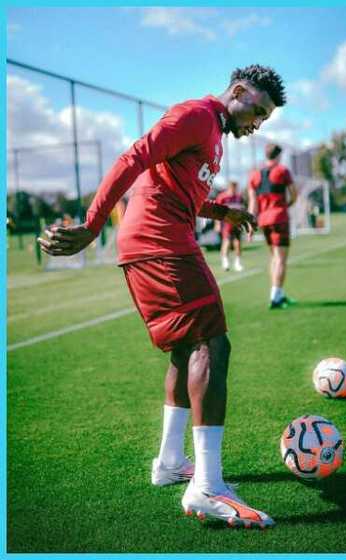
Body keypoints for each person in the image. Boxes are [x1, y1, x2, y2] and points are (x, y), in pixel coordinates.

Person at [38, 65, 286, 528]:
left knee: (187, 347)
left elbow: (179, 189)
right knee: (213, 342)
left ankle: (171, 463)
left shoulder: (212, 132)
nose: (258, 124)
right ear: (237, 92)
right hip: (160, 244)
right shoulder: (196, 115)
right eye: (257, 111)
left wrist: (220, 210)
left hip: (159, 241)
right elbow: (134, 157)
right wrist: (92, 226)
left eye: (265, 118)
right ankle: (208, 486)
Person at [248, 143, 296, 309]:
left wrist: (250, 224)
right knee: (281, 259)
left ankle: (279, 294)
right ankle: (275, 296)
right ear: (278, 156)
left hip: (264, 220)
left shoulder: (254, 175)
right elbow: (294, 194)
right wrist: (286, 205)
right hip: (279, 218)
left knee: (274, 257)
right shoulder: (283, 171)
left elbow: (253, 203)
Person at [215, 181, 245, 271]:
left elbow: (242, 210)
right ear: (229, 187)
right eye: (233, 187)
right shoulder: (222, 197)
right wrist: (217, 224)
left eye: (236, 187)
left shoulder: (239, 197)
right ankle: (225, 261)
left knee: (238, 243)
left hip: (237, 223)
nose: (234, 189)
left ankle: (237, 262)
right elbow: (217, 211)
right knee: (226, 241)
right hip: (227, 223)